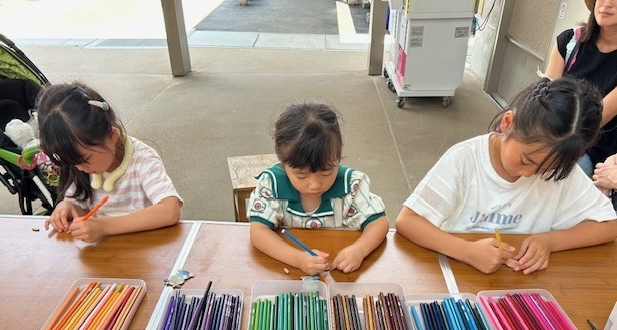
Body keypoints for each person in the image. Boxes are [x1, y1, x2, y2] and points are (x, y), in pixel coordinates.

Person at [395, 77, 617, 275]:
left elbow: (609, 225)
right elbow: (408, 221)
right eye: (526, 161)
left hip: (519, 284)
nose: (529, 174)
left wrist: (549, 241)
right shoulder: (465, 159)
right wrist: (466, 251)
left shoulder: (560, 172)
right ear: (508, 123)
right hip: (458, 275)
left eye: (545, 169)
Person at [248, 102, 389, 275]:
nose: (315, 185)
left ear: (338, 157)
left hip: (338, 275)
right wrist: (297, 259)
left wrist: (359, 250)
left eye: (327, 172)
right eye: (301, 175)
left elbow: (379, 223)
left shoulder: (351, 185)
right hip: (289, 275)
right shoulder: (271, 184)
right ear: (283, 163)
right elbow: (258, 232)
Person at [38, 81, 183, 243]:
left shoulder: (142, 159)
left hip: (146, 246)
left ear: (112, 136)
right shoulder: (80, 163)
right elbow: (81, 208)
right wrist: (69, 208)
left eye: (85, 159)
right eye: (72, 162)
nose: (79, 167)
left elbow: (170, 210)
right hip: (107, 252)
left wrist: (104, 227)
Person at [543, 0, 617, 177]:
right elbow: (546, 98)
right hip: (552, 131)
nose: (606, 4)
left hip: (592, 150)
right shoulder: (570, 41)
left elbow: (596, 119)